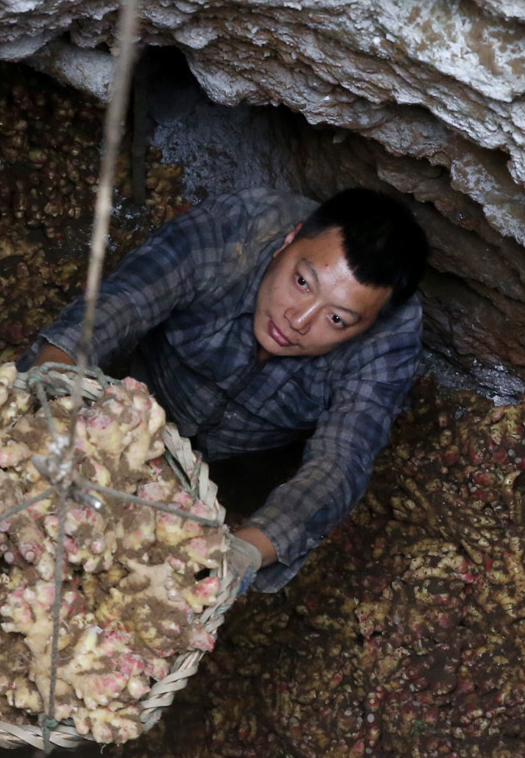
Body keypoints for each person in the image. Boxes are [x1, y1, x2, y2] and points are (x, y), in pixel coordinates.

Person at [28, 186, 429, 593]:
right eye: (303, 282)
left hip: (251, 448)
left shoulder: (388, 339)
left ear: (369, 326)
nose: (298, 320)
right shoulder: (231, 233)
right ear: (288, 241)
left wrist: (243, 553)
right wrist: (45, 399)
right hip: (152, 390)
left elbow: (342, 461)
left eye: (338, 319)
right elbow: (120, 304)